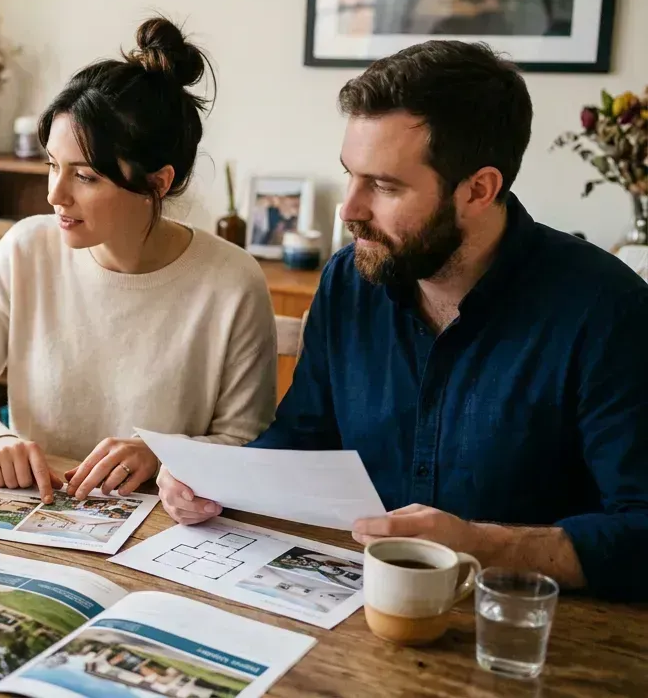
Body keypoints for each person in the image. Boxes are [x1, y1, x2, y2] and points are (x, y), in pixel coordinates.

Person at [157, 40, 648, 602]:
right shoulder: (349, 281)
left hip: (523, 623)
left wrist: (483, 544)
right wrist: (211, 478)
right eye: (350, 175)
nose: (349, 210)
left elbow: (641, 527)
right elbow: (304, 438)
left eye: (385, 186)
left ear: (478, 190)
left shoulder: (607, 310)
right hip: (351, 607)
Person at [0, 18, 277, 505]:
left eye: (84, 176)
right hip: (37, 510)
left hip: (165, 526)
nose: (54, 194)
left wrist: (161, 455)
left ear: (158, 182)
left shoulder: (232, 281)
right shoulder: (25, 250)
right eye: (52, 165)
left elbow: (248, 445)